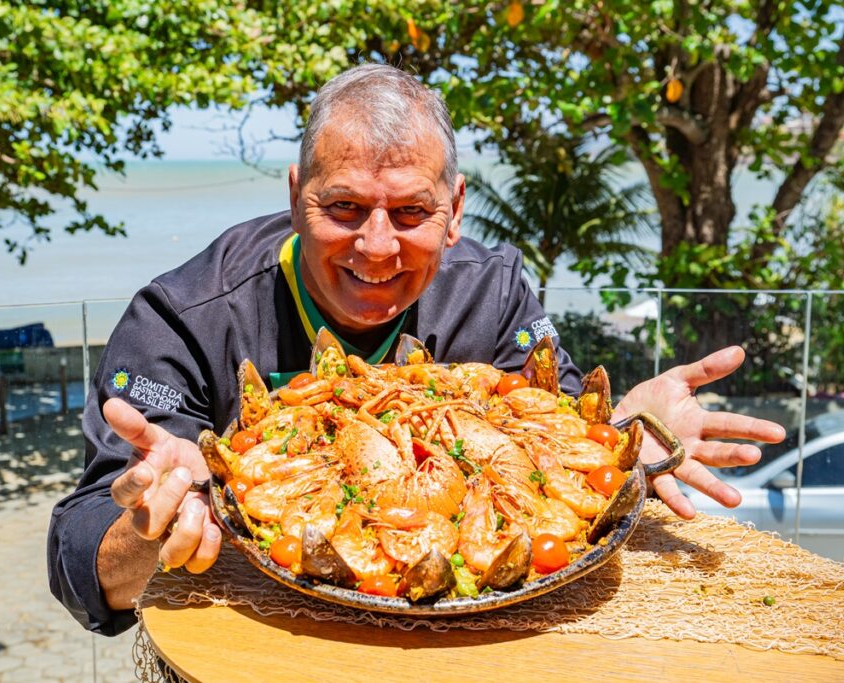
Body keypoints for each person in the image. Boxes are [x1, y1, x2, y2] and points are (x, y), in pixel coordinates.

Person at [47, 64, 785, 636]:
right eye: (342, 208)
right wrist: (145, 528)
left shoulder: (492, 294)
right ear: (296, 194)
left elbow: (564, 433)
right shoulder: (183, 316)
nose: (375, 246)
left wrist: (622, 431)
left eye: (410, 212)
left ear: (456, 210)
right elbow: (77, 558)